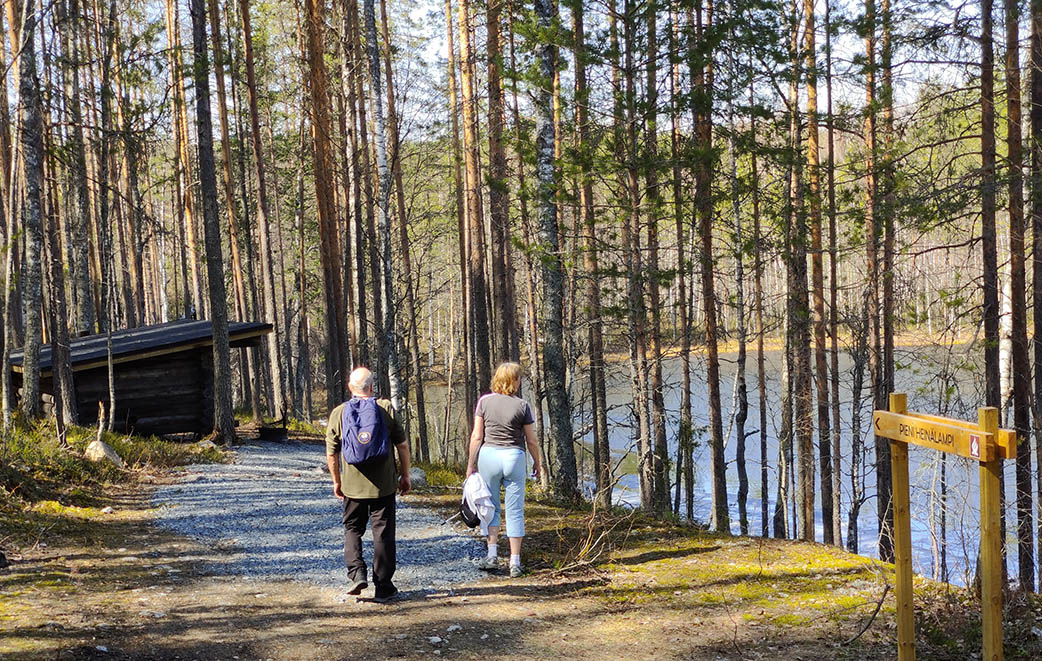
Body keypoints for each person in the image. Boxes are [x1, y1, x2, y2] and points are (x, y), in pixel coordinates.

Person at [326, 367, 411, 602]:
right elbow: (402, 446)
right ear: (372, 387)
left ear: (350, 388)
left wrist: (337, 481)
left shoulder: (339, 413)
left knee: (352, 529)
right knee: (382, 533)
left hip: (352, 487)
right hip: (383, 486)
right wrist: (405, 475)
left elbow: (332, 454)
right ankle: (383, 587)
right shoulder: (384, 408)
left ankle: (356, 575)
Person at [465, 362, 543, 578]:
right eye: (519, 378)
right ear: (514, 381)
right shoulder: (522, 406)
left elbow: (477, 436)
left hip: (489, 457)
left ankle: (491, 556)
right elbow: (531, 440)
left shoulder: (484, 402)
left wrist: (471, 464)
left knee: (490, 507)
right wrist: (538, 463)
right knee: (515, 510)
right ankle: (515, 562)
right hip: (513, 458)